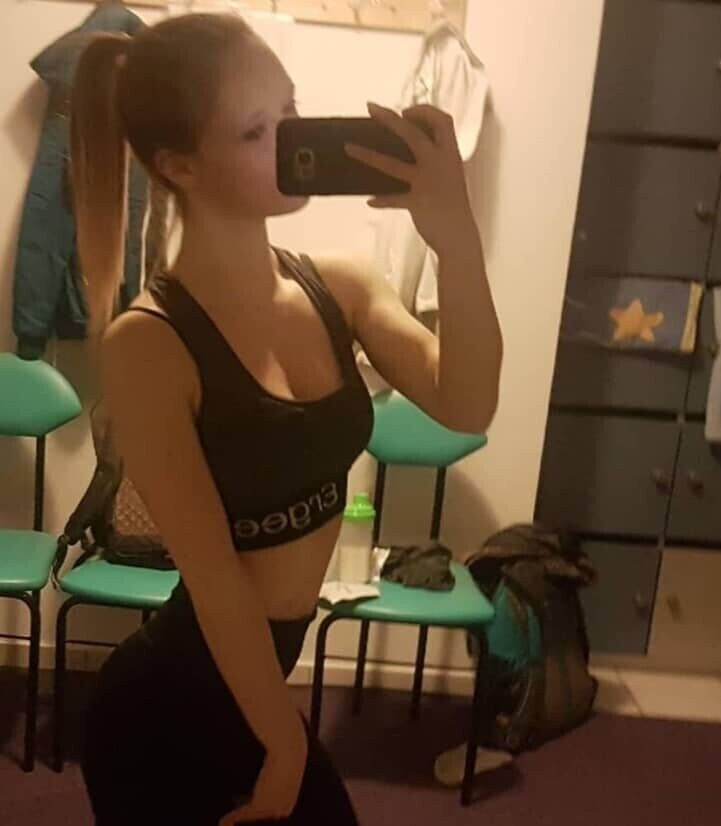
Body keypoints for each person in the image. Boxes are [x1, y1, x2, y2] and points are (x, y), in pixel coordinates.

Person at [68, 12, 502, 825]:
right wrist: (287, 746)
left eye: (291, 110)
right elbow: (215, 577)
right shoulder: (148, 343)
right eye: (256, 130)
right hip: (167, 712)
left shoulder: (339, 286)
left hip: (259, 691)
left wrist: (457, 238)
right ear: (179, 166)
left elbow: (467, 401)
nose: (292, 139)